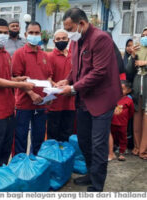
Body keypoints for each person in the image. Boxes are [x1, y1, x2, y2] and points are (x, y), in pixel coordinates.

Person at [57, 8, 122, 192]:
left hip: (101, 99)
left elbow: (99, 72)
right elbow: (76, 66)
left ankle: (98, 184)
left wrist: (73, 88)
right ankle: (91, 173)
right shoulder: (77, 40)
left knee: (98, 144)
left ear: (82, 24)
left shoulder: (101, 39)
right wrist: (67, 80)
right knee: (84, 140)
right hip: (84, 99)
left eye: (70, 28)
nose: (68, 33)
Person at [0, 18, 34, 167]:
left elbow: (4, 78)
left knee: (5, 149)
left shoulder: (4, 54)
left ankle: (0, 180)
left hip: (9, 109)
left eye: (5, 32)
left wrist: (17, 79)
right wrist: (20, 85)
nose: (3, 35)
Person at [12, 21, 52, 155]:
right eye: (31, 33)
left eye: (37, 33)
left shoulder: (44, 55)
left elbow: (48, 77)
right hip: (24, 104)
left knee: (39, 138)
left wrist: (50, 94)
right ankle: (20, 167)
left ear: (41, 35)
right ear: (25, 34)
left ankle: (34, 167)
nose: (34, 35)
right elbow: (16, 77)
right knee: (20, 138)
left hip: (41, 104)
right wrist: (31, 94)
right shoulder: (19, 54)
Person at [46, 29, 75, 142]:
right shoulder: (50, 56)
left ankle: (65, 158)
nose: (61, 41)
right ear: (54, 41)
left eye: (64, 38)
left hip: (70, 102)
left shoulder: (73, 56)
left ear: (68, 40)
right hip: (55, 103)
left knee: (67, 133)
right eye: (58, 39)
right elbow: (48, 77)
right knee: (53, 134)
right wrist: (58, 87)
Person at [126, 27, 147, 160]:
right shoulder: (138, 50)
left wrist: (145, 63)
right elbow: (128, 72)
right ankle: (137, 147)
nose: (145, 37)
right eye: (143, 35)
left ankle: (144, 150)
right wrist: (133, 57)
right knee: (137, 119)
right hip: (137, 89)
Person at [108, 80, 134, 161]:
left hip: (123, 123)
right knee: (112, 136)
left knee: (123, 137)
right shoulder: (113, 98)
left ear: (128, 90)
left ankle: (122, 152)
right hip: (112, 122)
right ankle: (113, 148)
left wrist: (125, 119)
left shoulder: (128, 100)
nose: (120, 91)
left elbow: (131, 112)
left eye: (123, 89)